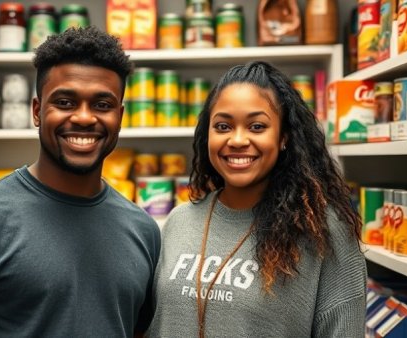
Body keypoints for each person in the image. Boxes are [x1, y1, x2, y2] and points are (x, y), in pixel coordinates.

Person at [0, 27, 161, 338]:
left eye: (102, 105)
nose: (84, 117)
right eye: (66, 102)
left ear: (120, 116)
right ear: (38, 111)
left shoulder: (144, 230)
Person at [146, 61, 366, 337]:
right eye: (223, 126)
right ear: (207, 135)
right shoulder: (180, 220)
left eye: (257, 126)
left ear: (284, 137)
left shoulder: (323, 231)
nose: (237, 139)